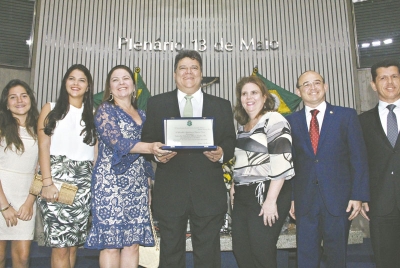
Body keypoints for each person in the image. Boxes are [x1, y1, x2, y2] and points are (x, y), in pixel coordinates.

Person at [141, 50, 236, 268]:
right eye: (183, 68)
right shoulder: (157, 103)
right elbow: (147, 141)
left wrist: (221, 152)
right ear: (175, 74)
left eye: (194, 68)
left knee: (208, 255)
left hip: (208, 192)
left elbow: (230, 140)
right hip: (171, 192)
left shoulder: (221, 105)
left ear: (201, 74)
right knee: (170, 254)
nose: (188, 72)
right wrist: (156, 152)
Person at [84, 65, 167, 268]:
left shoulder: (143, 114)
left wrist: (147, 185)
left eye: (126, 78)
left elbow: (144, 158)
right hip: (110, 184)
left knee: (132, 244)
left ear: (133, 85)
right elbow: (116, 142)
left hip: (137, 185)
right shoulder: (105, 110)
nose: (121, 83)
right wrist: (150, 147)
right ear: (109, 88)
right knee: (111, 244)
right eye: (115, 79)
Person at [286, 70, 370, 268]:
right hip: (304, 200)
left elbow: (358, 158)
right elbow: (289, 163)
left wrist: (358, 195)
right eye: (306, 84)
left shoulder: (346, 115)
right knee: (305, 258)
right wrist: (291, 197)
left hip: (339, 200)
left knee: (337, 257)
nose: (312, 87)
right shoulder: (290, 121)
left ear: (326, 87)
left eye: (317, 82)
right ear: (298, 91)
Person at [230, 76, 294, 267]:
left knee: (261, 250)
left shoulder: (274, 119)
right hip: (243, 195)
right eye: (244, 93)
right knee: (241, 250)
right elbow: (241, 160)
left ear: (265, 97)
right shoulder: (243, 127)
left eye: (254, 92)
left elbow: (282, 161)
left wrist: (271, 200)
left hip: (266, 191)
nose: (249, 97)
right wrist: (234, 185)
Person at [37, 64, 96, 268]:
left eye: (82, 80)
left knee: (72, 245)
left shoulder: (94, 114)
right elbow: (43, 146)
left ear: (88, 86)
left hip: (84, 184)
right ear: (65, 83)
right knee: (61, 245)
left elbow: (96, 154)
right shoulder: (50, 108)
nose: (76, 83)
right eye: (71, 78)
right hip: (55, 182)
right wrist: (46, 182)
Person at [359, 59, 400, 268]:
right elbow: (359, 163)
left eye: (394, 76)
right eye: (382, 78)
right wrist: (362, 195)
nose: (389, 82)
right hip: (381, 205)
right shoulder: (362, 122)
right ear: (374, 85)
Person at [0, 80, 39, 268]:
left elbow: (41, 170)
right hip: (2, 197)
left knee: (23, 257)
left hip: (25, 200)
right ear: (6, 104)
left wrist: (30, 201)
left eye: (24, 95)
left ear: (30, 99)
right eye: (13, 97)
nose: (19, 100)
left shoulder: (41, 129)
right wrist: (4, 206)